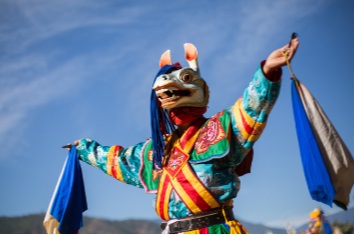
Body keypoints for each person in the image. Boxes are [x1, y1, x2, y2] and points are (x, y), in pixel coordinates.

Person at [69, 37, 299, 234]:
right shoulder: (156, 150)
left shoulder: (222, 127)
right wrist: (84, 149)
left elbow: (251, 107)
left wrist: (268, 70)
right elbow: (120, 161)